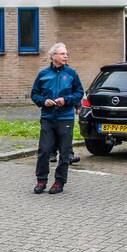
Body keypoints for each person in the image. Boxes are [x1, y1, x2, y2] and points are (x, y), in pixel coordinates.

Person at [30, 43, 84, 195]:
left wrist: (66, 100)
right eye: (62, 54)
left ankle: (59, 182)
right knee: (44, 150)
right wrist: (43, 101)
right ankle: (41, 180)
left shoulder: (72, 73)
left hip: (65, 117)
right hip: (48, 117)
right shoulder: (43, 74)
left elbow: (79, 92)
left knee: (64, 152)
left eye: (66, 53)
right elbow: (34, 94)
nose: (65, 56)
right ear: (53, 56)